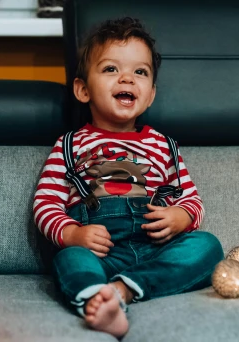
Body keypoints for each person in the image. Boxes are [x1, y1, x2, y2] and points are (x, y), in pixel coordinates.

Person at [33, 17, 223, 338]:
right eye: (110, 69)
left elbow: (190, 198)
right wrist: (72, 235)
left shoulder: (164, 146)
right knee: (70, 260)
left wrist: (180, 216)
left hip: (154, 249)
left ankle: (122, 292)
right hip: (101, 253)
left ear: (149, 95)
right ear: (82, 90)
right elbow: (46, 203)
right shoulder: (70, 145)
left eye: (140, 72)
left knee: (207, 246)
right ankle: (97, 299)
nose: (127, 78)